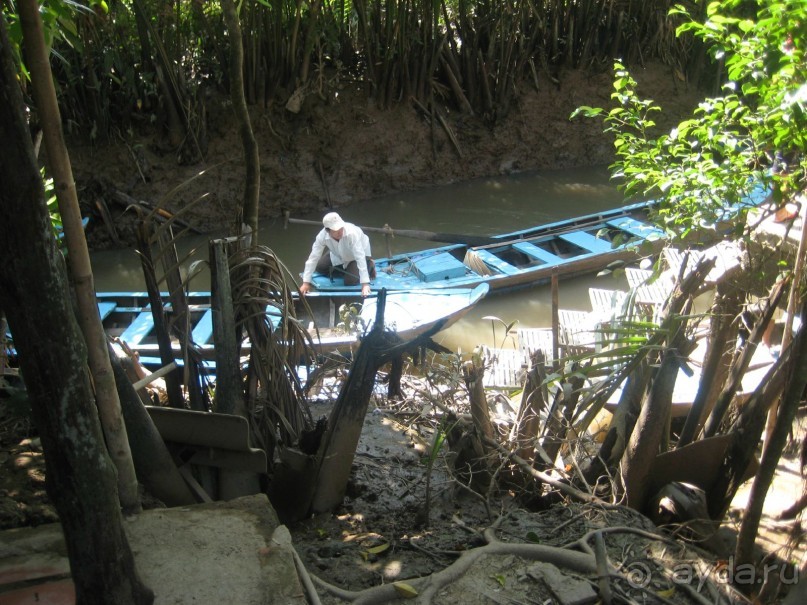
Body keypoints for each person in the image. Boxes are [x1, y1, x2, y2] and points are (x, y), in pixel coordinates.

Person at [299, 212, 376, 297]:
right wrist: (306, 282)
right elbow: (313, 257)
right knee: (320, 268)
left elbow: (360, 256)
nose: (340, 232)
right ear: (328, 230)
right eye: (336, 230)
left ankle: (370, 264)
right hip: (338, 253)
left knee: (350, 282)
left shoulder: (351, 233)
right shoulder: (322, 236)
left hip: (358, 254)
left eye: (341, 228)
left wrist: (365, 284)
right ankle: (349, 270)